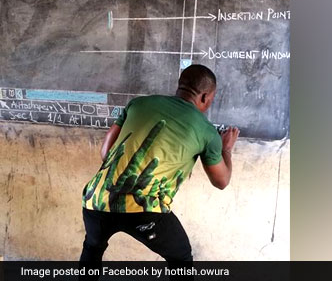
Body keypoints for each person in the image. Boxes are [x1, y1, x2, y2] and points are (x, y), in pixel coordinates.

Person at [79, 64, 239, 273]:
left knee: (92, 248)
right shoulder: (207, 131)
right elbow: (221, 181)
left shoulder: (138, 103)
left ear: (180, 86)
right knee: (181, 257)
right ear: (205, 97)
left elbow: (106, 153)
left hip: (96, 198)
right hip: (144, 208)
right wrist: (226, 149)